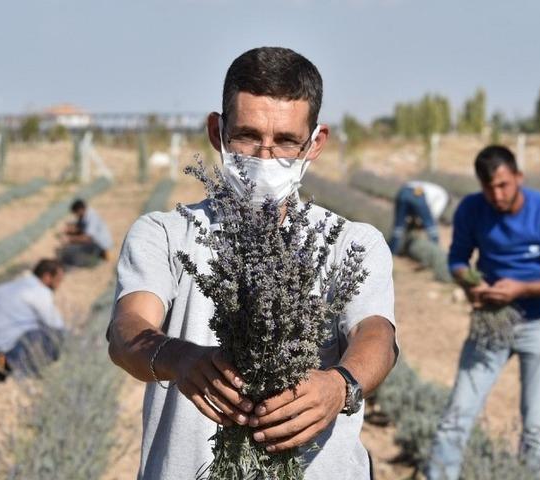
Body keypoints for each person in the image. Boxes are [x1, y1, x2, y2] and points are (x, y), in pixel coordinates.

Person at [106, 47, 398, 479]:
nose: (264, 158)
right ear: (217, 132)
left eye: (284, 142)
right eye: (247, 137)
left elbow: (376, 335)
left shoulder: (352, 244)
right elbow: (128, 330)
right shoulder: (165, 234)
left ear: (315, 143)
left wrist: (340, 386)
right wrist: (179, 358)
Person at [427, 145, 540, 479]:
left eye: (503, 185)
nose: (497, 195)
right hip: (491, 321)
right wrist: (471, 285)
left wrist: (521, 288)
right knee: (456, 417)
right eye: (488, 187)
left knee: (537, 429)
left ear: (518, 177)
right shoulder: (471, 209)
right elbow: (458, 259)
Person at [0, 259, 66, 379]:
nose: (58, 285)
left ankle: (4, 368)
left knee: (27, 326)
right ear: (47, 277)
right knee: (53, 336)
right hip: (7, 354)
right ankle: (26, 371)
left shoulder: (8, 286)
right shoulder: (39, 292)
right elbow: (57, 325)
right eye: (58, 280)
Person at [388, 180, 449, 252]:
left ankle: (392, 250)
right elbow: (434, 214)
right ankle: (436, 250)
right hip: (418, 193)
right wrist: (423, 224)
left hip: (403, 191)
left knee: (398, 226)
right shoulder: (444, 196)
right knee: (431, 227)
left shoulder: (433, 188)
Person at [60, 198, 113, 267]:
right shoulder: (86, 213)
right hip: (96, 241)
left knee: (73, 250)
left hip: (100, 244)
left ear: (80, 210)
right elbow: (80, 227)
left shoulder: (92, 217)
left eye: (76, 213)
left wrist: (70, 239)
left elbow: (87, 238)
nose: (76, 215)